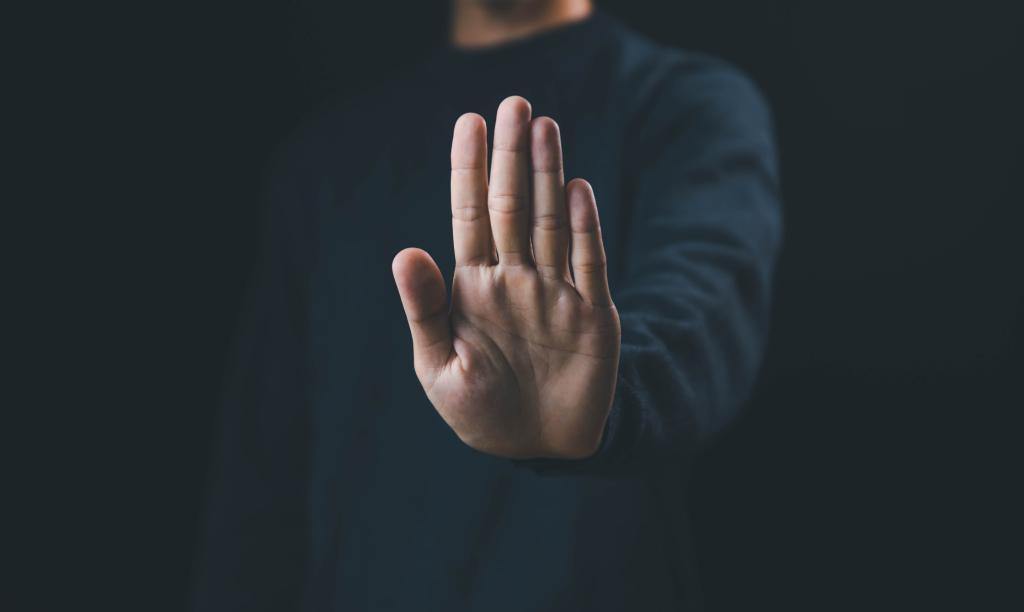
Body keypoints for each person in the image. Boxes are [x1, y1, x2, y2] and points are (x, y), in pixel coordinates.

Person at [190, 0, 782, 609]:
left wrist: (606, 398)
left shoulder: (688, 106)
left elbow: (706, 311)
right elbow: (260, 485)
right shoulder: (322, 161)